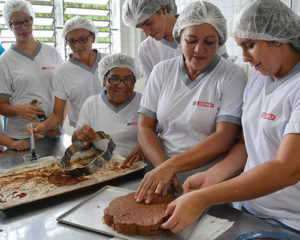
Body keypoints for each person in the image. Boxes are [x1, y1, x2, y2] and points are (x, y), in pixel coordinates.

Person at [161, 0, 300, 235]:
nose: (244, 57)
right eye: (240, 46)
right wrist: (212, 176)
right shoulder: (258, 78)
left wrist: (205, 197)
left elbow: (288, 169)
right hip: (250, 209)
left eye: (250, 45)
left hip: (291, 219)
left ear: (278, 38)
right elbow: (246, 146)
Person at [135, 1, 247, 204]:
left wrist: (172, 167)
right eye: (191, 40)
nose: (199, 49)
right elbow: (145, 126)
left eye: (209, 42)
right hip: (160, 181)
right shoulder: (162, 71)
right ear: (179, 39)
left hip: (208, 183)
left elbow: (226, 136)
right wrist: (163, 169)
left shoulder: (231, 76)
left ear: (219, 42)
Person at [30, 16, 105, 137]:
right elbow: (57, 114)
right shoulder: (62, 72)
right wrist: (41, 126)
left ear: (93, 37)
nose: (77, 46)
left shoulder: (110, 62)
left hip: (114, 127)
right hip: (83, 134)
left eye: (82, 39)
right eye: (71, 41)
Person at [122, 0, 229, 83]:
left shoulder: (203, 31)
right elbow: (153, 90)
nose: (146, 32)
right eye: (140, 27)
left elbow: (224, 75)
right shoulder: (146, 49)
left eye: (147, 23)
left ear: (163, 9)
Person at [0, 0, 63, 140]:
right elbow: (1, 105)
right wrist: (19, 110)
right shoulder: (5, 61)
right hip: (21, 137)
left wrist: (59, 123)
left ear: (32, 20)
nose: (23, 27)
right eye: (16, 23)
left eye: (26, 21)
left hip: (52, 133)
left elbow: (64, 96)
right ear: (10, 26)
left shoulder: (51, 53)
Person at [73, 53, 144, 165]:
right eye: (114, 79)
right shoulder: (92, 104)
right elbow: (78, 143)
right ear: (104, 80)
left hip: (137, 169)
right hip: (101, 169)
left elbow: (159, 134)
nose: (121, 85)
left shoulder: (144, 102)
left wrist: (145, 145)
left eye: (128, 79)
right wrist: (80, 135)